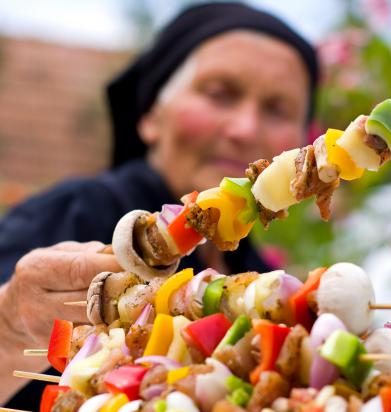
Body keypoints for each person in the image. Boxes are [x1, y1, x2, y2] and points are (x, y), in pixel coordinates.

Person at [0, 2, 318, 408]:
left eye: (277, 109)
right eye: (220, 94)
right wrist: (7, 327)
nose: (246, 129)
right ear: (150, 113)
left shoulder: (268, 283)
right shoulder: (73, 213)